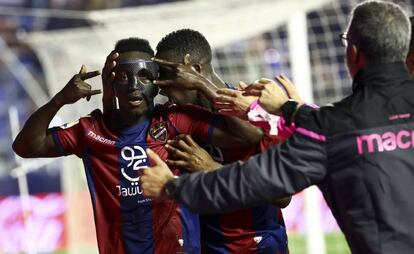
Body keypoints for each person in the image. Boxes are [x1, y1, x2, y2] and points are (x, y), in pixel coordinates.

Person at [140, 1, 414, 253]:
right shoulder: (321, 123)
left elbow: (267, 186)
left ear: (352, 53)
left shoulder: (326, 128)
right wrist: (290, 109)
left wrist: (174, 185)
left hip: (261, 243)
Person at [12, 37, 253, 254]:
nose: (134, 85)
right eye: (123, 78)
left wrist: (202, 84)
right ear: (112, 84)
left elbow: (246, 136)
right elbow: (25, 147)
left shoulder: (176, 120)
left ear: (157, 83)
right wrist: (59, 100)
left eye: (144, 76)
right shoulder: (90, 131)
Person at [153, 29, 291, 253]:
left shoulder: (258, 109)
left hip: (258, 244)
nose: (164, 89)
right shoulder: (179, 117)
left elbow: (282, 195)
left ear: (195, 71)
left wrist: (213, 169)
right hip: (208, 245)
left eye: (171, 77)